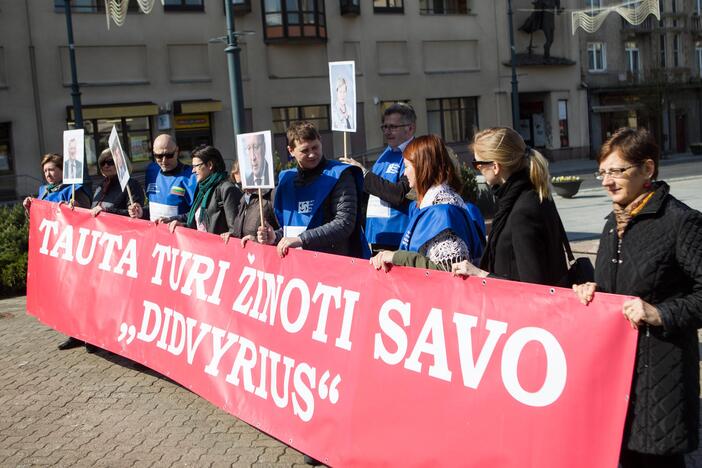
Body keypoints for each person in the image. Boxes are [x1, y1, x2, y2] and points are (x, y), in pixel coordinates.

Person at [573, 128, 702, 468]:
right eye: (603, 172)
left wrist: (662, 314)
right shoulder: (613, 222)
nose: (606, 182)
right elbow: (620, 286)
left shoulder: (681, 222)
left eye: (617, 171)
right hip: (618, 375)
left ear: (648, 169)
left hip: (661, 376)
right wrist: (594, 291)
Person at [451, 127, 568, 286]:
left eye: (478, 164)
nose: (477, 170)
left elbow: (532, 285)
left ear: (495, 167)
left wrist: (479, 273)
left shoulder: (522, 211)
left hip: (521, 308)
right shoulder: (532, 194)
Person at [254, 121, 369, 259]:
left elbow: (344, 223)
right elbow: (292, 228)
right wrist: (275, 237)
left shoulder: (340, 174)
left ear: (320, 141)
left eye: (315, 147)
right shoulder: (286, 180)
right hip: (297, 264)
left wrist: (301, 239)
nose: (312, 154)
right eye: (305, 150)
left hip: (332, 261)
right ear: (291, 151)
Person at [369, 135, 483, 272]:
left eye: (406, 167)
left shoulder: (443, 212)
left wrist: (396, 257)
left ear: (422, 168)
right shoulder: (432, 205)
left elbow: (447, 270)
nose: (404, 173)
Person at [22, 153, 90, 351]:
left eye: (52, 169)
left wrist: (76, 208)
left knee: (80, 293)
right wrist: (30, 207)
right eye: (45, 171)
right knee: (64, 294)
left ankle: (89, 336)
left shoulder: (74, 190)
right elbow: (38, 221)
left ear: (62, 170)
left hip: (74, 250)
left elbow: (86, 215)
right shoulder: (43, 191)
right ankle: (73, 333)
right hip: (54, 250)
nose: (48, 174)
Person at [340, 102, 416, 251]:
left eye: (393, 127)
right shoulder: (385, 154)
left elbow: (398, 193)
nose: (387, 132)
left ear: (410, 128)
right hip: (375, 235)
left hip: (398, 237)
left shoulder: (414, 154)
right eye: (385, 127)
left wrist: (364, 173)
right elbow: (371, 191)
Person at [167, 145, 241, 235]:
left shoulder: (227, 189)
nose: (193, 171)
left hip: (218, 247)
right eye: (192, 166)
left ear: (210, 165)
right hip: (201, 246)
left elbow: (236, 230)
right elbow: (196, 218)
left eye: (196, 166)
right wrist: (171, 220)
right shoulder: (202, 188)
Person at [128, 134, 196, 222]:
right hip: (155, 233)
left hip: (179, 233)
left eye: (169, 155)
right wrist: (141, 212)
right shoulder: (152, 171)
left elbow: (198, 214)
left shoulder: (191, 176)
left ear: (177, 151)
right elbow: (154, 207)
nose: (164, 161)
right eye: (159, 156)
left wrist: (175, 220)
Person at [91, 148, 145, 219]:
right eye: (102, 163)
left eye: (110, 162)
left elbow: (135, 214)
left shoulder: (131, 185)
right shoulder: (100, 186)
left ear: (122, 163)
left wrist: (107, 211)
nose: (106, 166)